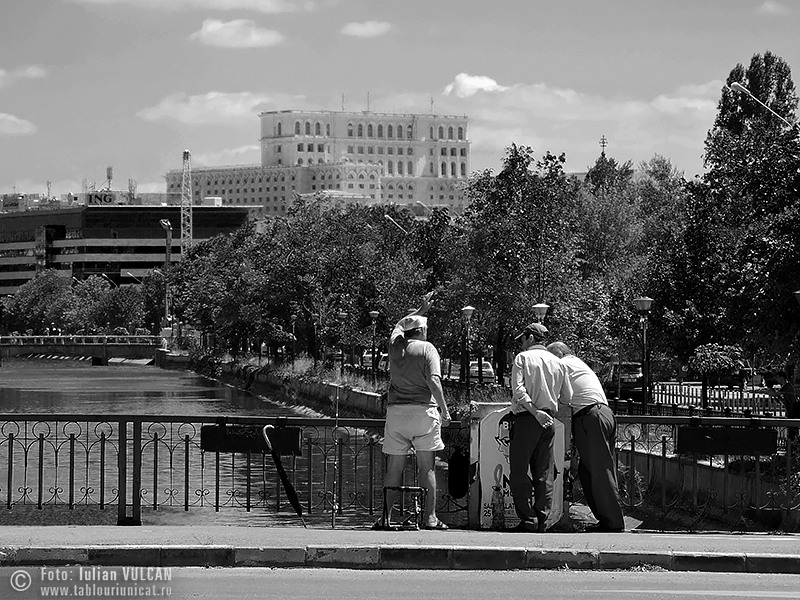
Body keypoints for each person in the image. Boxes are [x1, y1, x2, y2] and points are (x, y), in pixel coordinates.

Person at [376, 291, 451, 530]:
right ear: (422, 331)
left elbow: (399, 324)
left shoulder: (395, 344)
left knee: (394, 467)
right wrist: (445, 409)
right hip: (423, 413)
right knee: (426, 466)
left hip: (397, 413)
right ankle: (429, 518)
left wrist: (420, 310)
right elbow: (434, 381)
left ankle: (385, 518)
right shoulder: (428, 349)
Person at [547, 341, 625, 532]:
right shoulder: (578, 364)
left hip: (589, 417)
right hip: (602, 413)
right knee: (588, 471)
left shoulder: (562, 364)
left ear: (557, 353)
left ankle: (613, 523)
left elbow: (555, 395)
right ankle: (605, 519)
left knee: (599, 471)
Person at [509, 322, 572, 532]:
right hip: (549, 420)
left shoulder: (523, 358)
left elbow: (518, 390)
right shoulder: (559, 362)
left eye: (524, 338)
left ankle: (528, 519)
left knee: (519, 470)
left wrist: (535, 411)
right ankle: (542, 520)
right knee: (544, 472)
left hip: (528, 418)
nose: (522, 342)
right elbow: (567, 397)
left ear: (531, 338)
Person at [766, 370, 798, 441]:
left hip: (793, 409)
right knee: (791, 428)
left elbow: (776, 394)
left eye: (778, 378)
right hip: (790, 409)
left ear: (782, 378)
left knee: (792, 429)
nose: (777, 380)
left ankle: (792, 445)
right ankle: (792, 445)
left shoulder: (787, 386)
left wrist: (771, 392)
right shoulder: (785, 386)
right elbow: (782, 399)